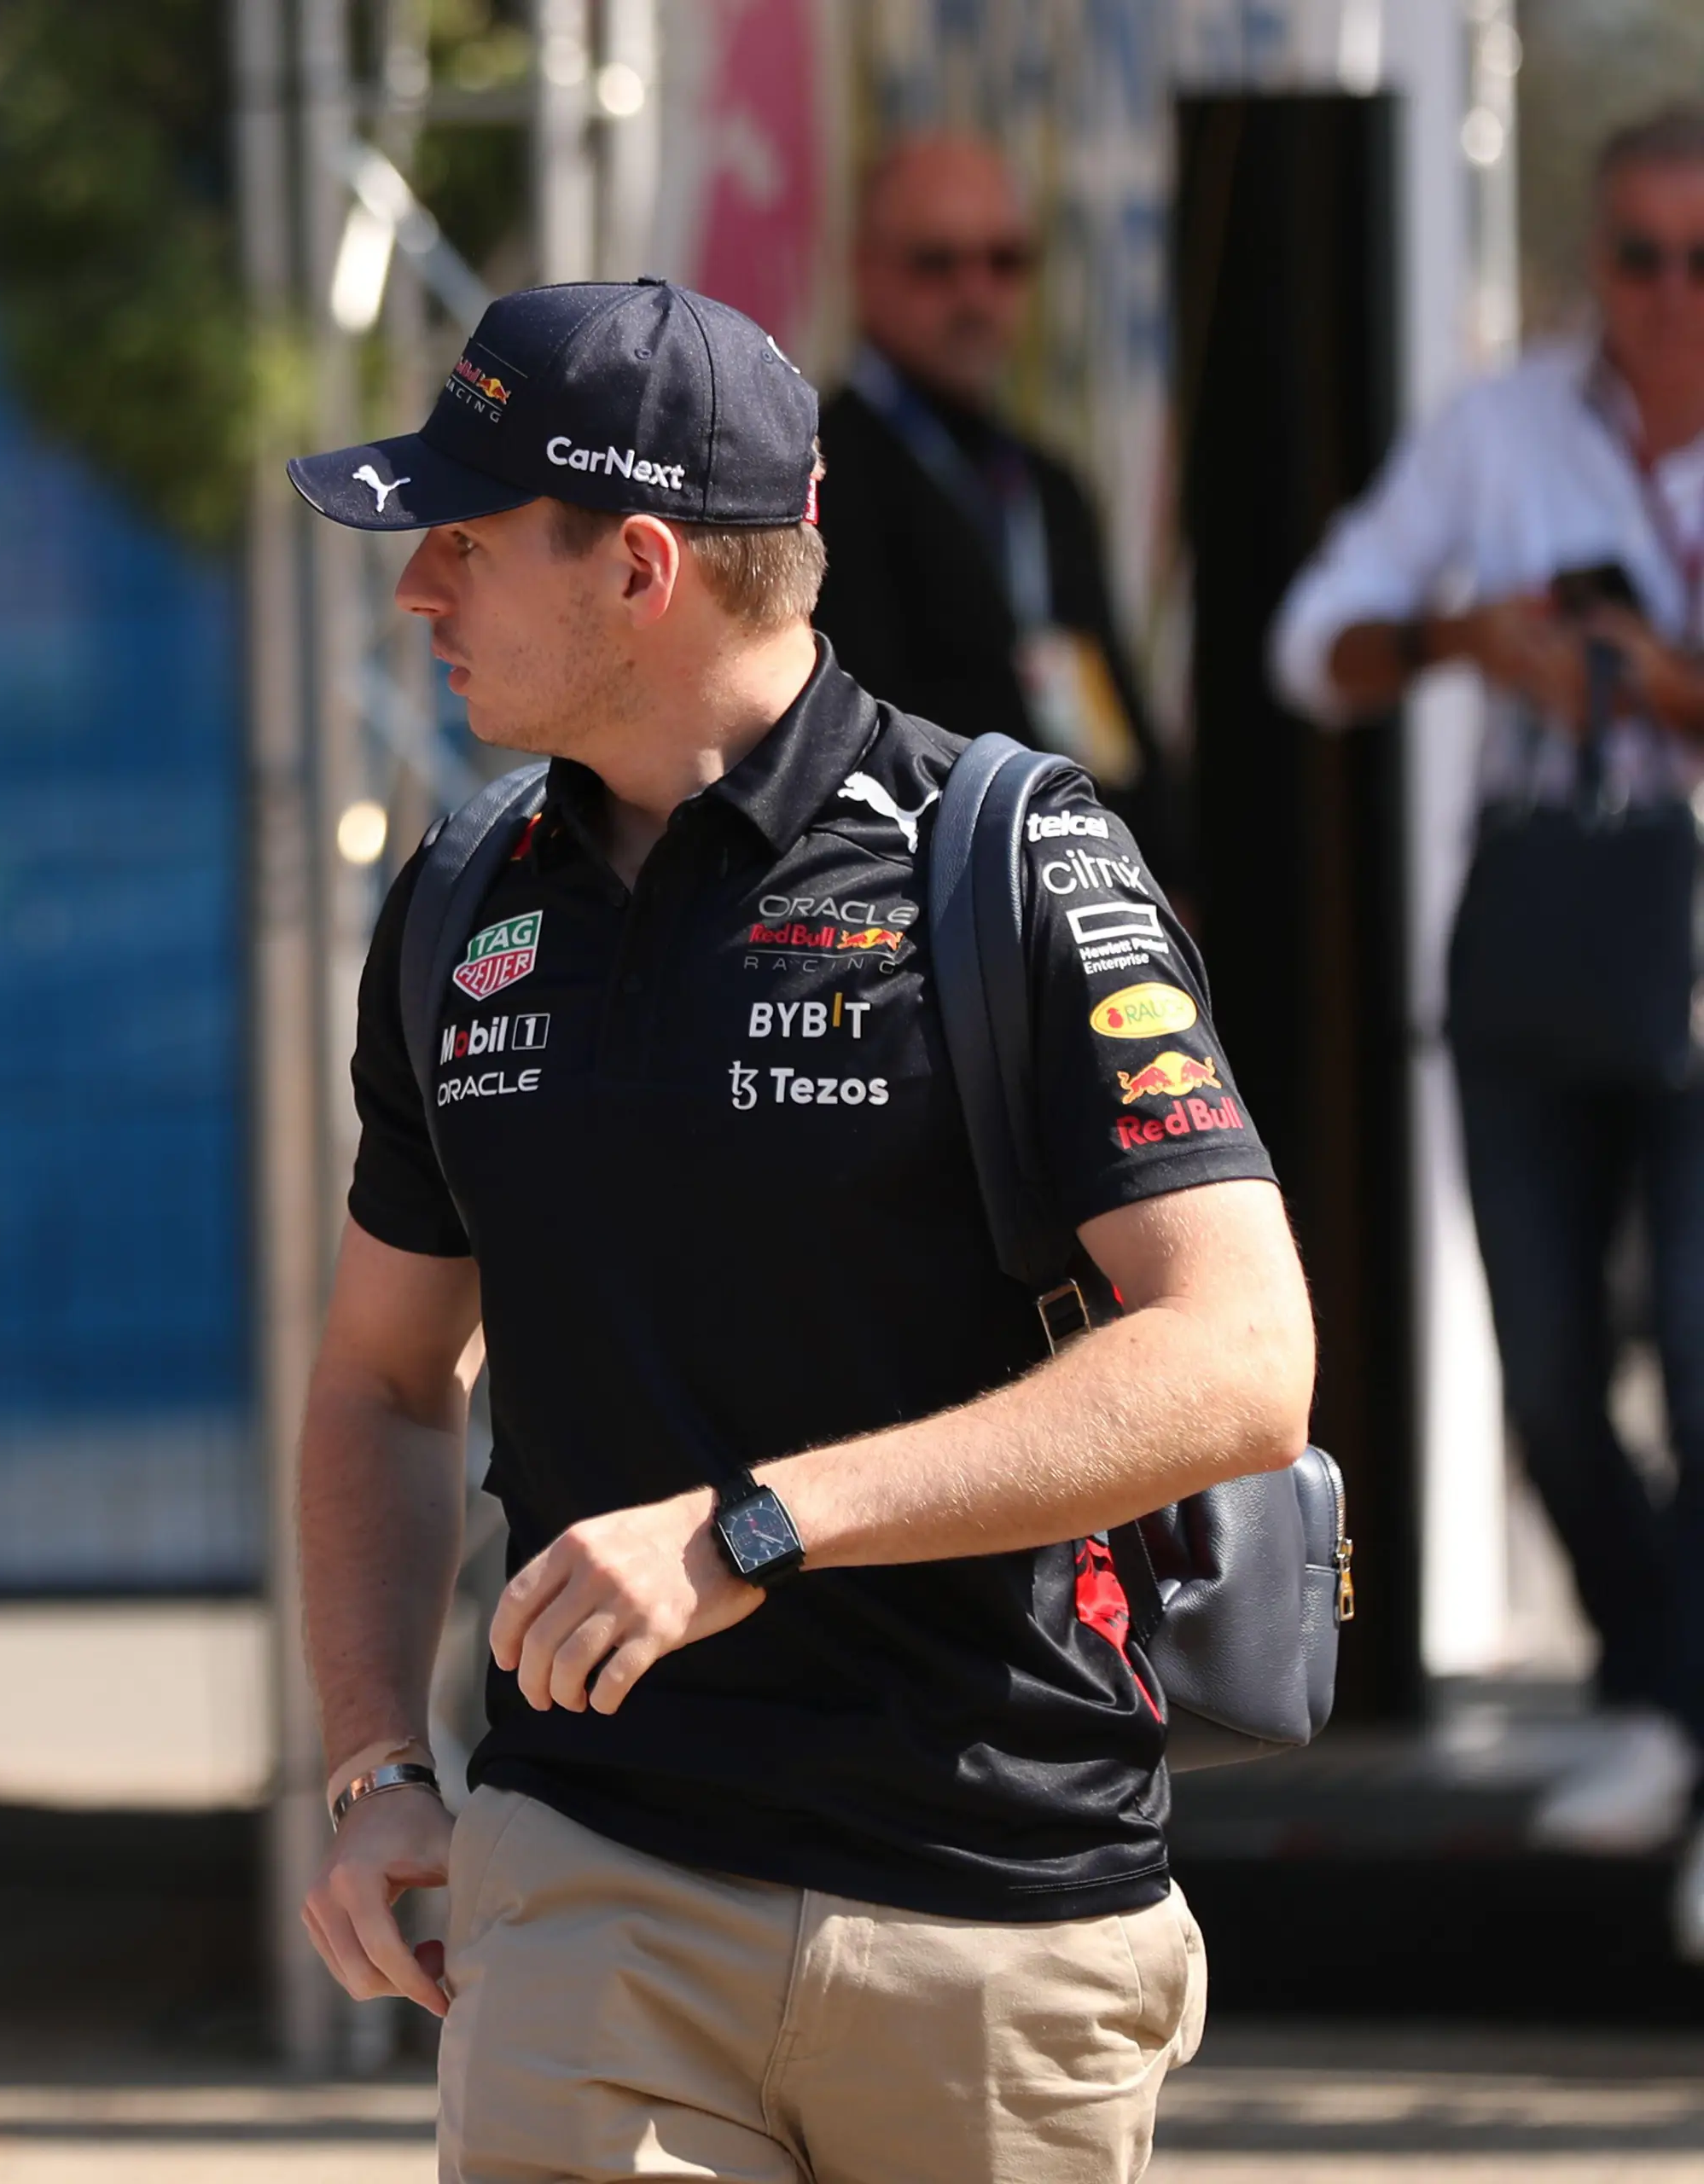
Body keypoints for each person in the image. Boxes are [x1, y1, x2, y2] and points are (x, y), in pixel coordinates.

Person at [288, 280, 1316, 2182]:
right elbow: (378, 1380)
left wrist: (756, 1524)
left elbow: (1240, 1360)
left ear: (642, 565)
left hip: (995, 1910)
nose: (415, 590)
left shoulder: (1006, 855)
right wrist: (374, 1761)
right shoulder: (454, 897)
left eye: (467, 540)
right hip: (595, 1877)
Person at [1271, 103, 1704, 1882]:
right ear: (1591, 262)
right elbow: (1318, 641)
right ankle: (1661, 1688)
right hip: (1538, 966)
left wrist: (1657, 681)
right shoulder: (1502, 430)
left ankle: (1677, 1722)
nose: (1675, 294)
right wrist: (1476, 636)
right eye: (1641, 255)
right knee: (1540, 1375)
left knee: (1698, 1351)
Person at [814, 133, 1173, 865]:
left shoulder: (1047, 482)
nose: (975, 294)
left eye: (1004, 262)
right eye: (936, 264)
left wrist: (1168, 871)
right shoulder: (814, 472)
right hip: (916, 900)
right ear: (866, 271)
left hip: (1074, 887)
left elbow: (1109, 702)